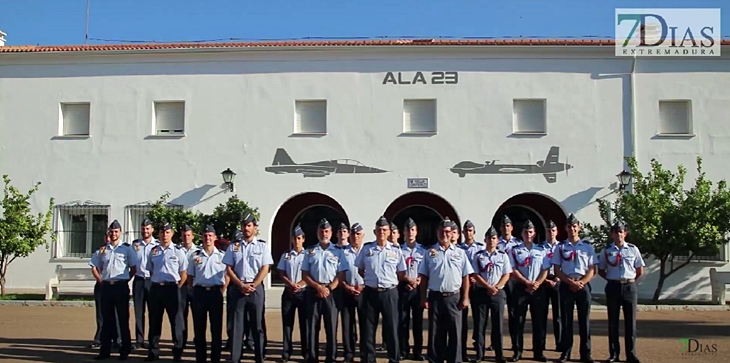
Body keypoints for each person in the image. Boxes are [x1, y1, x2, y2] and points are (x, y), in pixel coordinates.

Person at [418, 217, 474, 363]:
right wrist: (423, 298)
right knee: (436, 332)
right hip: (435, 297)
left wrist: (465, 297)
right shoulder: (429, 252)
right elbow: (423, 277)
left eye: (448, 231)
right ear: (438, 232)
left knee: (455, 331)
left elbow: (465, 277)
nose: (445, 234)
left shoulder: (460, 253)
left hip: (454, 297)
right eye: (442, 231)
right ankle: (435, 359)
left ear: (452, 233)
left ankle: (455, 360)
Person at [356, 216, 406, 363]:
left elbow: (401, 272)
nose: (382, 232)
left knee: (392, 327)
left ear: (389, 232)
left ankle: (393, 358)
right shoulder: (367, 249)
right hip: (371, 292)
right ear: (374, 232)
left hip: (390, 292)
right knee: (368, 328)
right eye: (379, 230)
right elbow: (360, 269)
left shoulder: (396, 250)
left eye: (384, 230)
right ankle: (368, 359)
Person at [223, 213, 273, 363]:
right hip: (239, 289)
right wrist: (241, 285)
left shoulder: (262, 246)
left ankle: (259, 357)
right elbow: (229, 269)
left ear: (255, 228)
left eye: (249, 225)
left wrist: (254, 285)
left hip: (255, 289)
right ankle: (235, 358)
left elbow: (266, 268)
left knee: (257, 324)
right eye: (244, 225)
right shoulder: (234, 246)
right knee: (237, 326)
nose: (246, 228)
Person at [551, 214, 597, 363]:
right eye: (569, 227)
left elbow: (592, 269)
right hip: (566, 286)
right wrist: (570, 282)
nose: (572, 229)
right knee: (566, 320)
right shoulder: (560, 247)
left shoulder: (587, 247)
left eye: (574, 226)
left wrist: (581, 282)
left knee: (585, 321)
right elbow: (557, 269)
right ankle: (565, 352)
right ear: (566, 228)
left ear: (579, 228)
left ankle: (586, 354)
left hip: (583, 286)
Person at [597, 221, 643, 363]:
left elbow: (639, 269)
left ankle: (631, 354)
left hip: (629, 287)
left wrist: (629, 281)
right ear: (612, 234)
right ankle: (614, 354)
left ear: (625, 233)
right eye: (616, 232)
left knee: (630, 323)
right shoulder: (607, 250)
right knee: (613, 322)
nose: (618, 234)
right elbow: (601, 270)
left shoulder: (633, 249)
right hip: (613, 287)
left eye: (621, 232)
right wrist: (613, 280)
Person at [91, 220, 137, 361]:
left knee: (123, 320)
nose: (114, 234)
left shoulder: (127, 249)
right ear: (108, 233)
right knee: (106, 320)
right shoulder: (103, 250)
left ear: (120, 232)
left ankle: (125, 350)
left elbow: (133, 268)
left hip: (120, 287)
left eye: (116, 231)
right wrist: (101, 280)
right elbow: (95, 266)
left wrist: (124, 280)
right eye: (111, 231)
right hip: (106, 287)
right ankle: (104, 351)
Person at [301, 218, 346, 363]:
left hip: (331, 293)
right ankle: (312, 357)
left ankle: (331, 358)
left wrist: (328, 288)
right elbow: (305, 274)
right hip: (314, 291)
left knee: (331, 327)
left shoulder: (338, 252)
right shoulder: (310, 251)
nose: (324, 233)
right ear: (317, 232)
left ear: (331, 233)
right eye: (322, 231)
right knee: (312, 327)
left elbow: (341, 274)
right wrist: (318, 287)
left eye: (327, 231)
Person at [146, 221, 188, 362]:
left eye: (167, 232)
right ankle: (153, 351)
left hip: (172, 289)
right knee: (154, 321)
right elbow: (150, 269)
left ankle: (177, 352)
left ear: (172, 234)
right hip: (156, 288)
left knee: (176, 321)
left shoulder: (178, 251)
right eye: (163, 232)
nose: (165, 235)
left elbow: (184, 273)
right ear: (159, 234)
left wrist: (178, 287)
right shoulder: (154, 251)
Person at [508, 220, 550, 362]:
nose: (528, 234)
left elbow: (545, 269)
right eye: (525, 232)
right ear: (521, 234)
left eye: (530, 232)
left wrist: (537, 283)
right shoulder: (515, 250)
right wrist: (526, 282)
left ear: (534, 233)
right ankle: (517, 351)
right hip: (521, 288)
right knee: (518, 322)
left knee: (539, 322)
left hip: (538, 289)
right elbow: (513, 269)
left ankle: (538, 352)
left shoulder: (541, 250)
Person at [188, 225, 228, 363]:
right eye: (205, 235)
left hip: (216, 293)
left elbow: (227, 275)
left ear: (215, 237)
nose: (208, 238)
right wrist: (195, 289)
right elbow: (189, 276)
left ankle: (215, 359)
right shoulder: (195, 256)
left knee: (216, 329)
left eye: (210, 235)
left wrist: (222, 290)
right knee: (199, 330)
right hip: (199, 294)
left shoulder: (222, 256)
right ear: (202, 237)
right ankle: (201, 359)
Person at [471, 226, 511, 363]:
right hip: (482, 292)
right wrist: (488, 286)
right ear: (485, 240)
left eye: (494, 238)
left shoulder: (503, 255)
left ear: (497, 240)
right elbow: (475, 274)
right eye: (489, 238)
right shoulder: (478, 256)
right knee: (480, 325)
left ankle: (499, 354)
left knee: (498, 325)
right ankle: (479, 354)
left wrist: (497, 287)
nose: (491, 241)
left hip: (498, 293)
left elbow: (507, 274)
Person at [277, 224, 309, 363]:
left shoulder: (308, 255)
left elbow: (310, 273)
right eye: (294, 238)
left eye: (299, 238)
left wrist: (300, 284)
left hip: (303, 292)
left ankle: (306, 353)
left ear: (303, 239)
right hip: (289, 292)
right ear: (291, 240)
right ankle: (286, 352)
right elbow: (281, 272)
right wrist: (291, 284)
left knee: (304, 324)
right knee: (287, 324)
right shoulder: (286, 255)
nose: (296, 241)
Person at [398, 218, 426, 361]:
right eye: (408, 229)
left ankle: (418, 351)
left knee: (418, 322)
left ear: (416, 232)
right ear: (403, 232)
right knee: (402, 322)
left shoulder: (423, 251)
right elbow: (395, 270)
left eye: (413, 229)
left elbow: (425, 270)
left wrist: (418, 281)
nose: (410, 232)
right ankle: (403, 350)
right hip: (403, 287)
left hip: (417, 289)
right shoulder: (398, 250)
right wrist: (407, 280)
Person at [338, 222, 365, 363]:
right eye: (353, 234)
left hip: (363, 292)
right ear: (350, 235)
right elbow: (340, 274)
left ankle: (364, 353)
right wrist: (346, 286)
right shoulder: (343, 252)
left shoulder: (367, 251)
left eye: (358, 234)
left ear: (363, 236)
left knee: (365, 324)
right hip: (347, 291)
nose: (355, 237)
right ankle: (348, 353)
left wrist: (363, 286)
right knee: (347, 324)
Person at [90, 233, 121, 350]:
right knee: (101, 314)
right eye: (106, 236)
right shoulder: (100, 251)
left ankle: (117, 339)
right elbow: (93, 267)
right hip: (102, 286)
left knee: (117, 314)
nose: (109, 238)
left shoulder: (122, 249)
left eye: (110, 235)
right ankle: (99, 339)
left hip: (116, 286)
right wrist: (100, 280)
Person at [458, 220, 485, 361]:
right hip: (462, 287)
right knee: (462, 321)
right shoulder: (458, 248)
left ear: (474, 232)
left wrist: (476, 278)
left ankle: (478, 349)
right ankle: (461, 350)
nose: (468, 233)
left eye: (470, 230)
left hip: (477, 286)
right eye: (466, 231)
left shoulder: (481, 248)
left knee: (478, 320)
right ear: (463, 233)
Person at [132, 219, 158, 349]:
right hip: (139, 280)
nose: (145, 231)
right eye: (143, 228)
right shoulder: (135, 245)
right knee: (138, 312)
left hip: (152, 282)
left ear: (152, 229)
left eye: (148, 228)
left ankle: (152, 340)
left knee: (153, 312)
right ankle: (139, 339)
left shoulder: (157, 245)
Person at [498, 215, 520, 352]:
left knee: (513, 312)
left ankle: (514, 342)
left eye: (508, 226)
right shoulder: (496, 243)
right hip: (498, 279)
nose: (505, 228)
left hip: (513, 280)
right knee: (496, 313)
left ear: (512, 227)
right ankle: (496, 342)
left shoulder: (518, 243)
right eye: (503, 226)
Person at [541, 221, 562, 352]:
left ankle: (559, 343)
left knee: (558, 315)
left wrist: (559, 277)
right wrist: (544, 280)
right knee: (541, 315)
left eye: (553, 230)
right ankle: (540, 344)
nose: (551, 232)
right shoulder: (539, 247)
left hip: (558, 281)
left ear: (557, 231)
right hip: (544, 281)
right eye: (549, 230)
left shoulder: (562, 247)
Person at [179, 225, 200, 350]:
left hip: (194, 287)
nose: (186, 237)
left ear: (193, 236)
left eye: (188, 235)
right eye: (184, 235)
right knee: (181, 315)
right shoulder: (177, 250)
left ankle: (198, 339)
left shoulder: (198, 251)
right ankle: (182, 341)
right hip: (182, 286)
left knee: (197, 315)